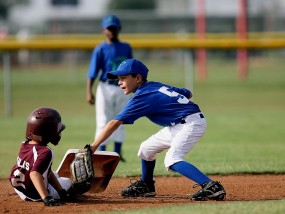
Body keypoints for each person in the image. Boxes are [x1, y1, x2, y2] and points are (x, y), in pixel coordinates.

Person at [89, 58, 226, 201]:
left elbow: (114, 123)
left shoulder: (142, 96)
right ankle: (146, 185)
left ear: (138, 78)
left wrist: (93, 147)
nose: (119, 82)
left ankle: (211, 186)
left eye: (123, 78)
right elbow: (188, 93)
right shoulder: (154, 86)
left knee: (172, 160)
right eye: (118, 78)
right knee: (146, 149)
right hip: (179, 124)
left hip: (190, 123)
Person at [86, 14, 133, 162]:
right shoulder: (100, 49)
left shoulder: (126, 47)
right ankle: (101, 154)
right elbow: (93, 71)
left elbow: (131, 69)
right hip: (105, 87)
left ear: (119, 29)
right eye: (109, 28)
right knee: (103, 120)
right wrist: (89, 91)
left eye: (113, 28)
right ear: (103, 30)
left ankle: (117, 154)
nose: (111, 31)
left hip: (122, 87)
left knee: (121, 119)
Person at [9, 107, 72, 206]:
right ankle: (51, 194)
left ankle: (57, 191)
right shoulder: (46, 152)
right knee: (67, 181)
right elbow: (34, 174)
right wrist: (47, 198)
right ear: (49, 133)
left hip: (20, 190)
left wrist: (61, 191)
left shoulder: (25, 144)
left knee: (53, 174)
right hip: (36, 194)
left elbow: (47, 172)